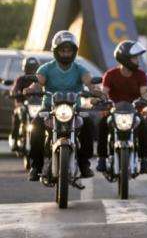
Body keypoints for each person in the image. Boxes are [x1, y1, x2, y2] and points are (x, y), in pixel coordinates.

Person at [26, 31, 98, 181]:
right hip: (50, 108)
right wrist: (31, 90)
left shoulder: (80, 69)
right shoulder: (46, 68)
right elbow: (38, 83)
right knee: (35, 126)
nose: (66, 53)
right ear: (56, 51)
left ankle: (84, 164)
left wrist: (96, 92)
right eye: (62, 50)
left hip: (74, 109)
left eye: (69, 50)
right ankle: (36, 166)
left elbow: (90, 83)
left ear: (74, 51)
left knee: (89, 124)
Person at [96, 40, 147, 174]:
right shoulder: (110, 74)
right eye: (134, 58)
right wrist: (100, 101)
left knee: (143, 124)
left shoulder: (141, 75)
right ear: (125, 59)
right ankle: (102, 159)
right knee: (102, 123)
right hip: (114, 111)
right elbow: (104, 93)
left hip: (134, 111)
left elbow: (144, 93)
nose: (138, 60)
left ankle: (144, 159)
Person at [9, 56, 40, 151]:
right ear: (25, 68)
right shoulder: (20, 79)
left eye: (33, 68)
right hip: (23, 104)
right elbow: (14, 89)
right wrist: (15, 93)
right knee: (18, 114)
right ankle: (14, 138)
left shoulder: (39, 79)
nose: (31, 70)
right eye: (29, 68)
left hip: (37, 105)